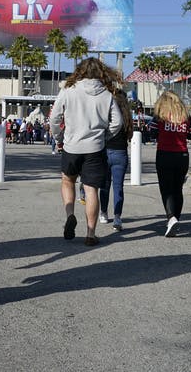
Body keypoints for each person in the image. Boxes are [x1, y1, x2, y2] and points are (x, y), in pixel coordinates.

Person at [49, 57, 122, 246]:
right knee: (91, 190)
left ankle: (70, 214)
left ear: (80, 72)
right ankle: (90, 233)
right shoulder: (107, 95)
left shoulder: (68, 91)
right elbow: (118, 123)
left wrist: (59, 138)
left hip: (71, 146)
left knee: (67, 181)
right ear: (101, 73)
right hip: (95, 148)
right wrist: (105, 136)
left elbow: (54, 118)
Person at [151, 91, 191, 236]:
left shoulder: (159, 116)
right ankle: (175, 219)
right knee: (178, 189)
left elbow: (152, 133)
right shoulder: (185, 116)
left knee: (166, 189)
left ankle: (171, 218)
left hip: (165, 154)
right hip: (182, 155)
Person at [99, 88, 134, 231]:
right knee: (119, 187)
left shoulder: (108, 113)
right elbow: (130, 136)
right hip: (121, 153)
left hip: (106, 151)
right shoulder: (127, 116)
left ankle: (103, 213)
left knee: (105, 185)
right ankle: (118, 217)